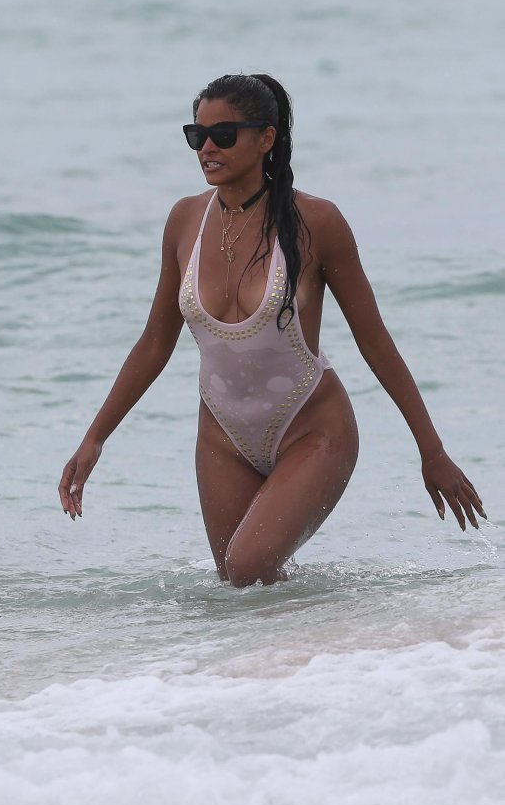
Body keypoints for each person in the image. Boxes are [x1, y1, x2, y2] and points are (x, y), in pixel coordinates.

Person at [58, 73, 484, 586]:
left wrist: (431, 451)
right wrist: (95, 438)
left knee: (248, 565)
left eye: (223, 135)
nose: (207, 148)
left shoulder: (316, 221)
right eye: (197, 136)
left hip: (312, 428)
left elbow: (374, 341)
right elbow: (154, 343)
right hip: (222, 435)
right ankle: (323, 635)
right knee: (240, 589)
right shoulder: (185, 220)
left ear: (266, 138)